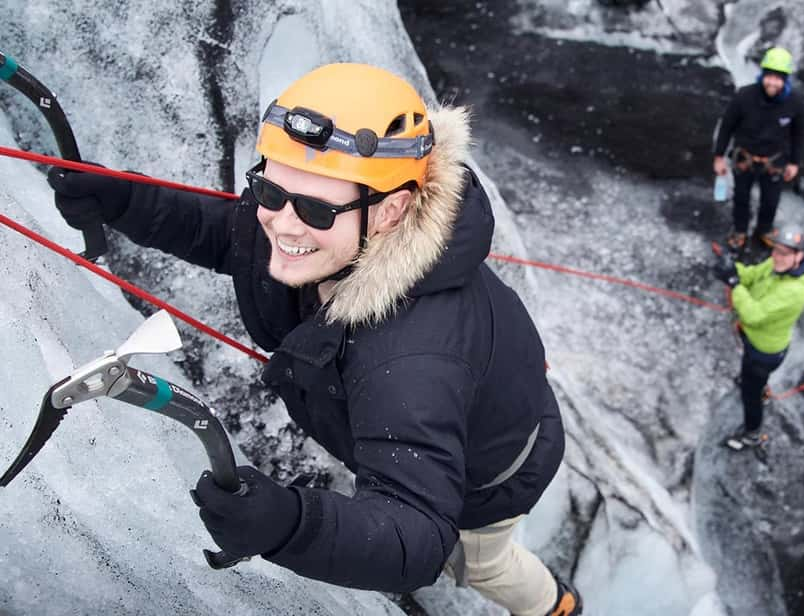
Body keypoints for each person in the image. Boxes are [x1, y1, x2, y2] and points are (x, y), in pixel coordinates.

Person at [47, 64, 581, 616]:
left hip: (492, 471)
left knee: (482, 563)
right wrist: (123, 200)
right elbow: (232, 238)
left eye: (316, 208)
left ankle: (556, 605)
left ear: (391, 210)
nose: (281, 223)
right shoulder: (321, 230)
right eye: (269, 189)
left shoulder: (411, 359)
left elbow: (419, 533)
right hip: (435, 415)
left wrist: (293, 525)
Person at [714, 228, 804, 453]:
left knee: (750, 395)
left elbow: (754, 315)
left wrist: (733, 283)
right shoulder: (776, 265)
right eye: (776, 251)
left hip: (764, 352)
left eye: (785, 253)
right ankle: (761, 389)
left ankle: (752, 434)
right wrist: (732, 269)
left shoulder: (795, 291)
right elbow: (750, 276)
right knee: (751, 378)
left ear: (799, 257)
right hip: (754, 341)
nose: (777, 257)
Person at [712, 47, 804, 252]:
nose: (772, 83)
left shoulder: (794, 104)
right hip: (744, 159)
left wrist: (794, 162)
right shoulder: (744, 96)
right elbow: (727, 126)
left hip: (774, 162)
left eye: (778, 78)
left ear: (785, 80)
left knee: (770, 200)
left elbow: (799, 134)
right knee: (741, 198)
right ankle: (739, 230)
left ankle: (764, 229)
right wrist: (719, 156)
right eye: (769, 77)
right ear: (763, 75)